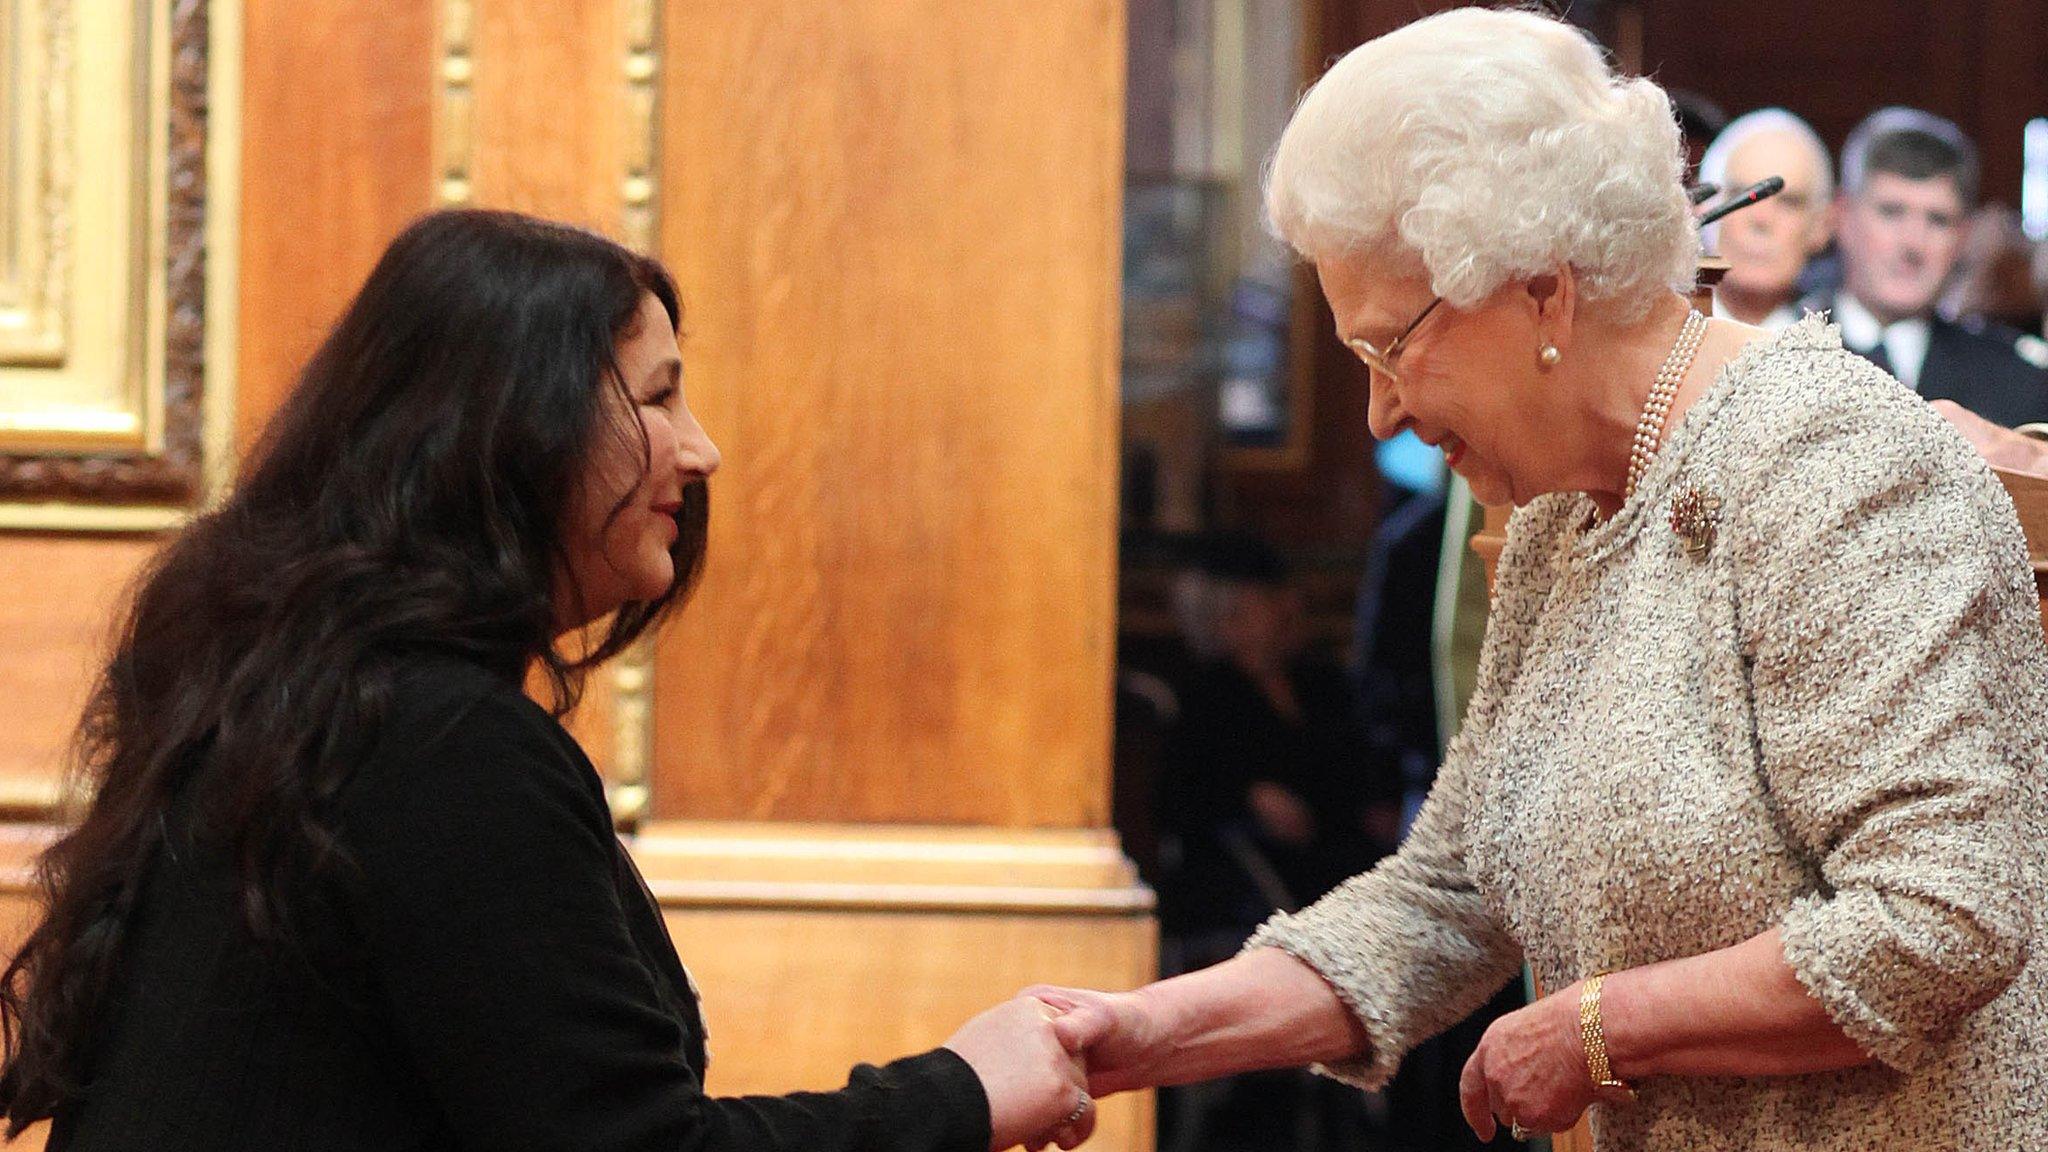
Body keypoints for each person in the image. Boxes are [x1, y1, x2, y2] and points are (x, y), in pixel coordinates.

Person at [1027, 9, 2048, 1151]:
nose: (1380, 411)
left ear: (1540, 292)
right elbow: (1451, 892)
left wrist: (1595, 1030)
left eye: (1388, 347)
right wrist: (1136, 1032)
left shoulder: (1837, 467)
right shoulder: (1564, 508)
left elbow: (1938, 919)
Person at [0, 210, 1098, 1152]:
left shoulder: (309, 704)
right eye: (657, 399)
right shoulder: (434, 747)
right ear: (517, 432)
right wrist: (959, 1091)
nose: (700, 449)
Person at [1805, 107, 2048, 426]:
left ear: (1963, 236)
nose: (1913, 243)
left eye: (1938, 220)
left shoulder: (2019, 384)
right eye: (1891, 212)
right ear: (1843, 216)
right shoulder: (1777, 350)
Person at [1695, 109, 1832, 329]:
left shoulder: (1844, 357)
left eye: (1789, 202)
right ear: (1703, 209)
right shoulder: (1651, 343)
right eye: (1741, 196)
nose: (1762, 219)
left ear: (1822, 226)